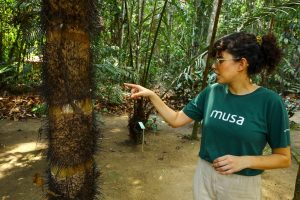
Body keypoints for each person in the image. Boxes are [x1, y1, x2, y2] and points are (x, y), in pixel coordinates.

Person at [124, 32, 291, 200]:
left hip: (242, 184)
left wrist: (245, 161)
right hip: (204, 175)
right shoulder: (212, 92)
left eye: (220, 60)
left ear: (241, 64)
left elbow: (283, 158)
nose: (213, 66)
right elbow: (176, 119)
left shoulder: (270, 102)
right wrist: (152, 95)